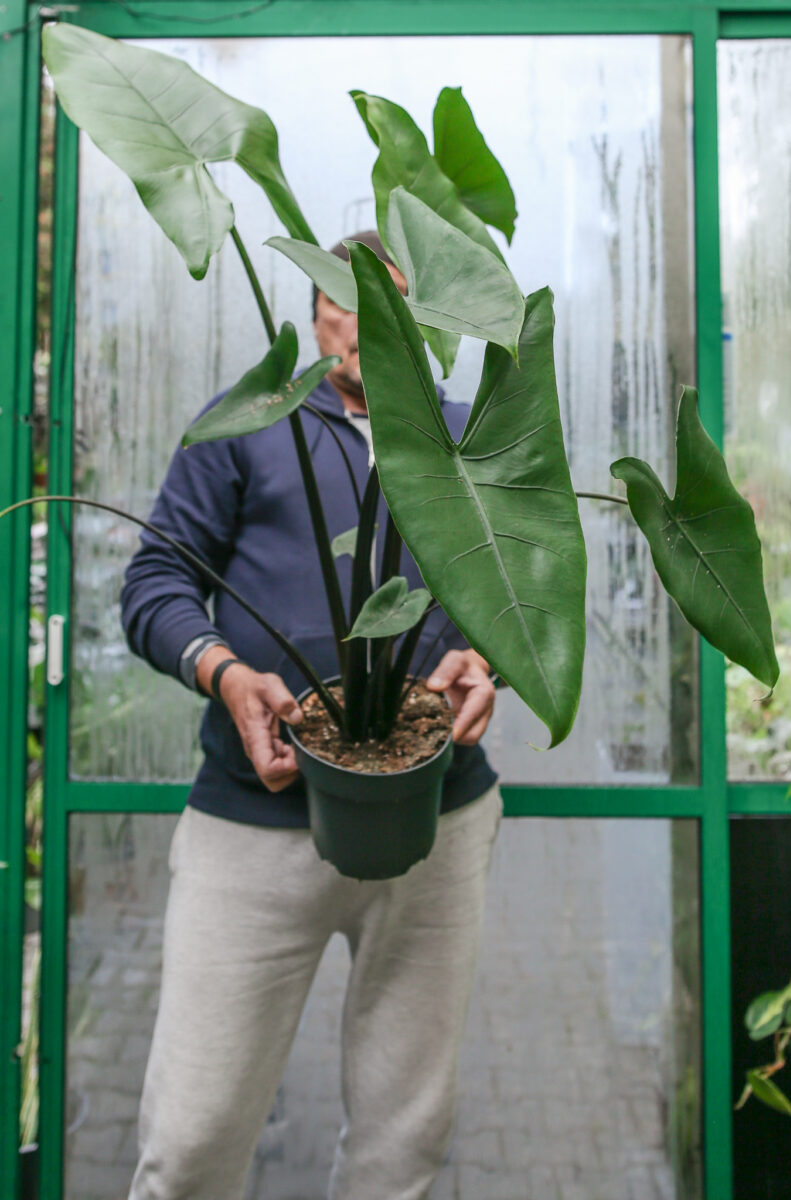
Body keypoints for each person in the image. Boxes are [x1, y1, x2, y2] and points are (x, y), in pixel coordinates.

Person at [120, 231, 502, 1200]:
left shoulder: (468, 438)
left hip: (436, 815)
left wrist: (488, 656)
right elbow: (155, 580)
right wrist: (222, 671)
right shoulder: (256, 420)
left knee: (401, 1144)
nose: (370, 326)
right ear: (315, 314)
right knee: (193, 1139)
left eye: (397, 308)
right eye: (347, 301)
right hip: (256, 813)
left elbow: (521, 589)